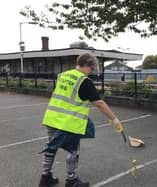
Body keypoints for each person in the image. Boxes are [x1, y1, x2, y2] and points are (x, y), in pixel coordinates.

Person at [39, 53, 123, 187]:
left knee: (51, 147)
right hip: (68, 123)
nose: (92, 72)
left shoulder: (63, 75)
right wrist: (114, 119)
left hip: (52, 118)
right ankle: (72, 181)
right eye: (92, 68)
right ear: (87, 65)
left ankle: (45, 177)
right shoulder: (84, 81)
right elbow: (99, 103)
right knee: (73, 151)